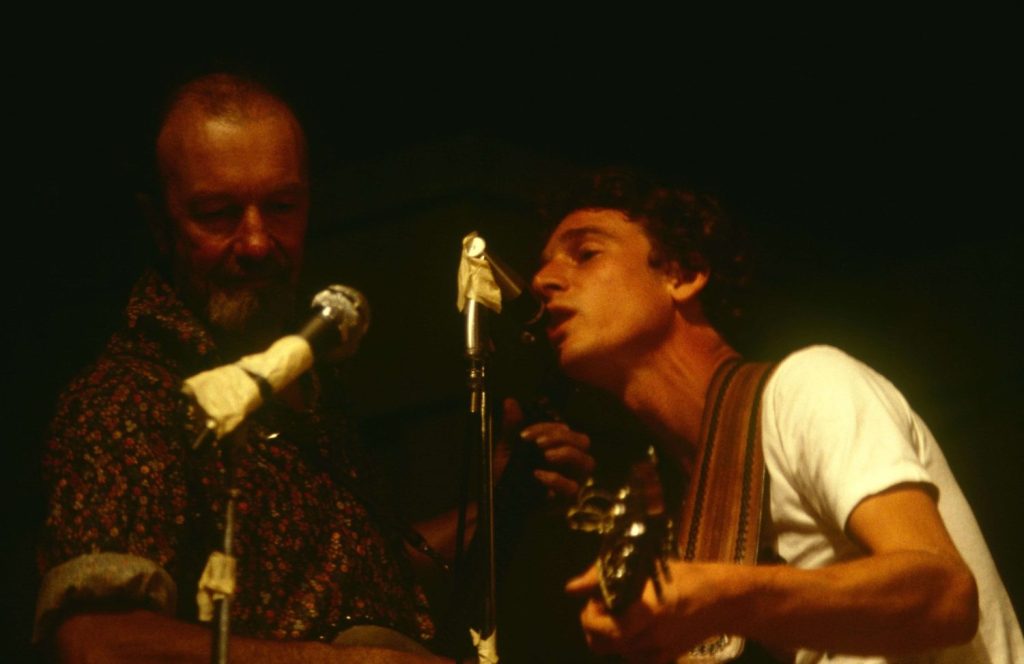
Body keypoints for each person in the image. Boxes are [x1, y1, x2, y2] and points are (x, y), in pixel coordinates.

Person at [34, 73, 593, 663]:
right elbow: (96, 642)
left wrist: (495, 499)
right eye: (217, 213)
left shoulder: (309, 378)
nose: (256, 242)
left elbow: (362, 585)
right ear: (158, 223)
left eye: (281, 206)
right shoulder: (128, 396)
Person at [531, 170, 1024, 663]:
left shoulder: (809, 384)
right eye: (545, 264)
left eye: (586, 253)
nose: (542, 280)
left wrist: (720, 593)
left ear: (680, 274)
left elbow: (946, 595)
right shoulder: (684, 504)